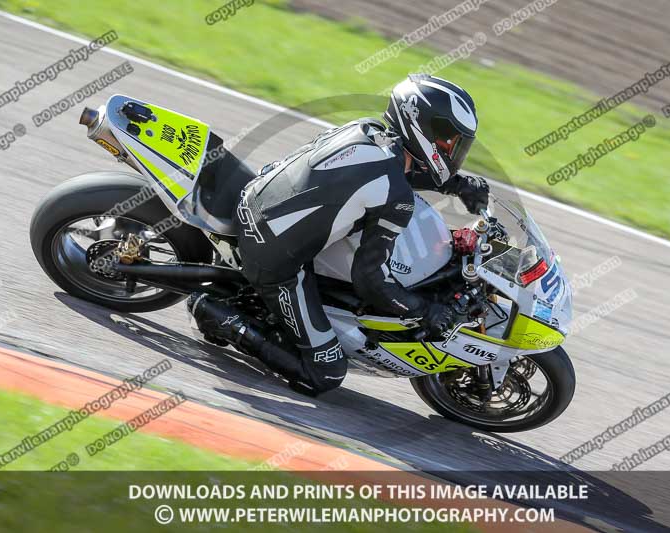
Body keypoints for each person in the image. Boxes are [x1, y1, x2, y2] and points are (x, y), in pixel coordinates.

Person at [189, 74, 489, 396]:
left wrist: (456, 185)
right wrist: (423, 310)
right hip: (274, 259)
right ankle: (215, 314)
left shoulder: (366, 130)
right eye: (449, 141)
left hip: (258, 201)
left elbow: (380, 178)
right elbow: (369, 279)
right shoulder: (396, 198)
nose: (453, 150)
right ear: (422, 126)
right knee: (326, 373)